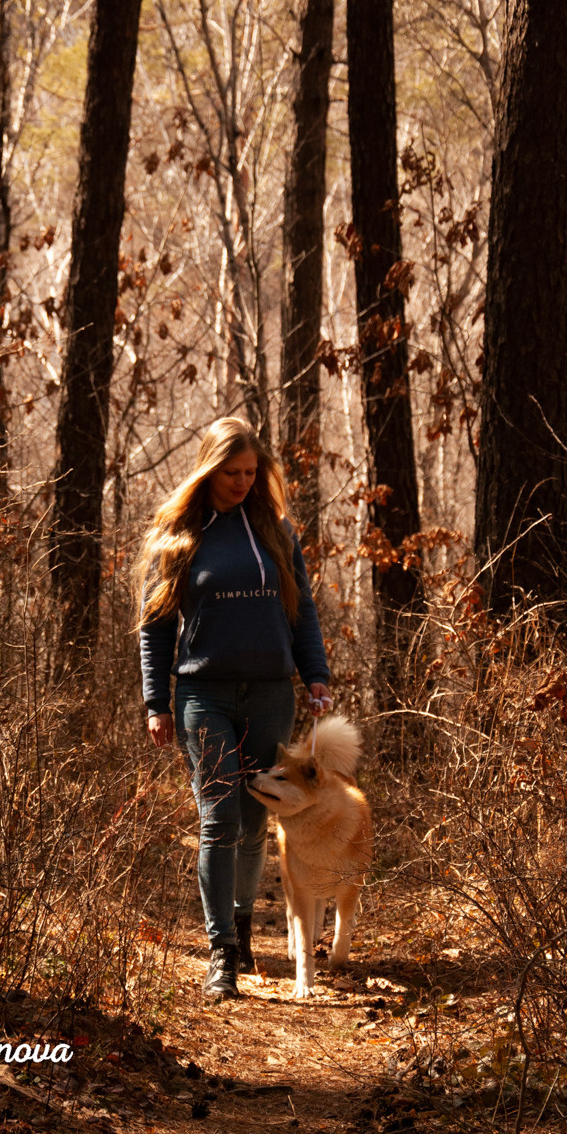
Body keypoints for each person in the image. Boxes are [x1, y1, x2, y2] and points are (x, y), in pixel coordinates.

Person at [134, 416, 332, 1001]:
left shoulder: (276, 531)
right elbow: (154, 627)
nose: (242, 482)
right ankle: (221, 953)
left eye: (251, 472)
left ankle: (243, 926)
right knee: (218, 819)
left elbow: (303, 612)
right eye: (231, 472)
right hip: (205, 694)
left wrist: (315, 676)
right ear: (209, 469)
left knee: (252, 821)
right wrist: (156, 701)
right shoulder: (180, 533)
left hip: (271, 691)